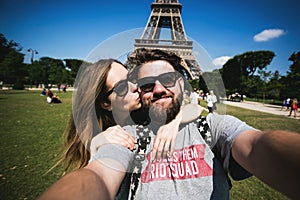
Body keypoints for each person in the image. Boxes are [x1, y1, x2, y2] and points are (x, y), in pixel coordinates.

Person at [39, 49, 300, 200]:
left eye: (168, 79)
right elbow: (98, 175)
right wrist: (98, 141)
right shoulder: (123, 136)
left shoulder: (210, 126)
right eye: (145, 86)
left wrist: (175, 120)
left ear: (183, 85)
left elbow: (257, 146)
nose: (158, 89)